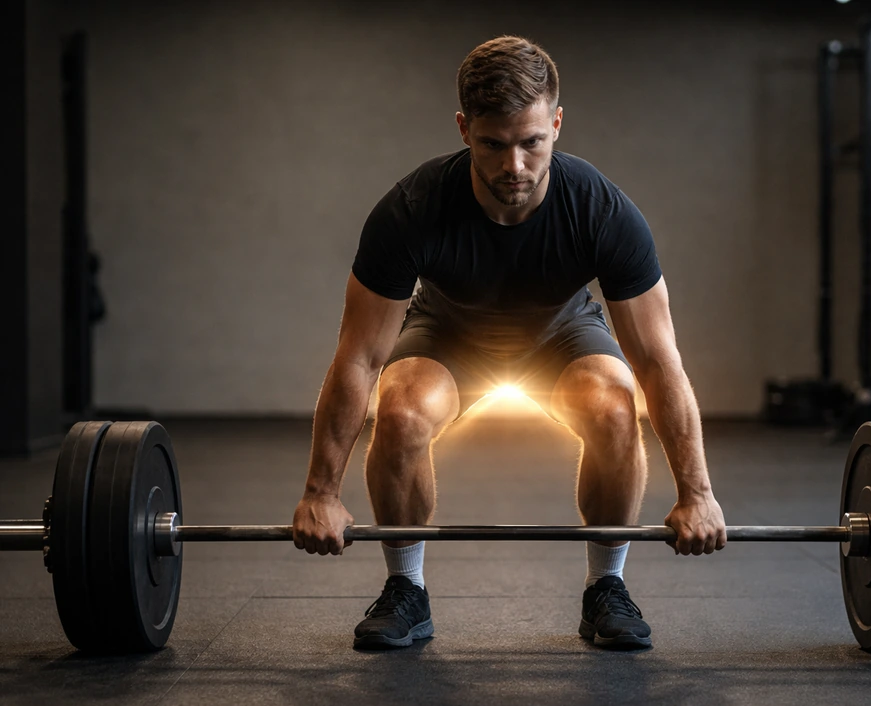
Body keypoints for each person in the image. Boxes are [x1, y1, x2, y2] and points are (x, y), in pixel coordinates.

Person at [292, 35, 727, 651]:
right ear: (465, 128)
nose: (514, 167)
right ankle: (406, 591)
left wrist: (698, 494)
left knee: (613, 402)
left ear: (556, 123)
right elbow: (358, 357)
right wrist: (319, 494)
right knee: (401, 407)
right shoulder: (412, 210)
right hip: (449, 332)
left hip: (561, 332)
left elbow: (659, 361)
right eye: (494, 145)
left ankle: (607, 589)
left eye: (532, 143)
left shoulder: (601, 211)